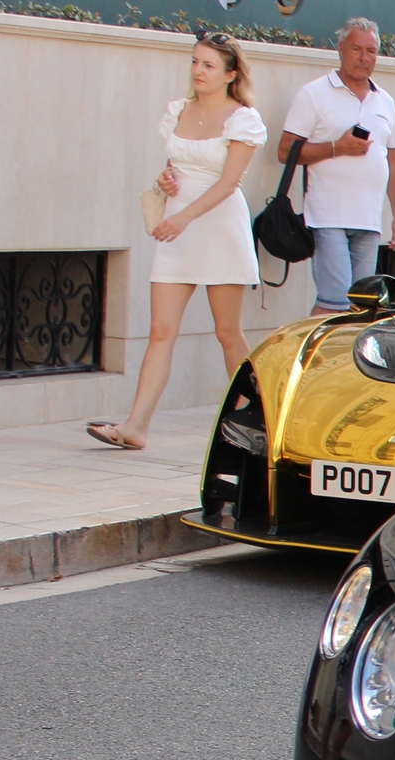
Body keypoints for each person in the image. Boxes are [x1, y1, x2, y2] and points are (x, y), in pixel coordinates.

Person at [88, 33, 267, 451]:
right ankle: (136, 426)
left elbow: (228, 183)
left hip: (217, 227)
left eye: (208, 65)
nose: (198, 71)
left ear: (230, 73)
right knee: (160, 329)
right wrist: (166, 182)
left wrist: (183, 218)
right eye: (195, 62)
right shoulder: (178, 112)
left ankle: (258, 418)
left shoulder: (243, 118)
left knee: (227, 332)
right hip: (177, 227)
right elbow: (173, 169)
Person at [277, 16, 395, 315]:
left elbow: (394, 162)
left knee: (361, 307)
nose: (364, 58)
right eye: (356, 49)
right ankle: (310, 361)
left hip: (369, 221)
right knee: (333, 302)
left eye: (371, 51)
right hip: (327, 217)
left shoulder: (385, 101)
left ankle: (342, 362)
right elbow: (285, 151)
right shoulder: (314, 93)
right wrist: (338, 147)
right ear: (341, 49)